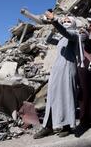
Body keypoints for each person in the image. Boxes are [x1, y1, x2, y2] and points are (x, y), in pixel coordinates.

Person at [33, 11, 79, 139]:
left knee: (66, 97)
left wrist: (55, 21)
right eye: (63, 21)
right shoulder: (61, 39)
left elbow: (66, 32)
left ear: (74, 23)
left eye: (68, 21)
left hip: (68, 69)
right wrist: (52, 27)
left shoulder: (74, 35)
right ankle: (48, 126)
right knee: (52, 97)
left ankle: (67, 126)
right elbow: (48, 40)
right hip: (57, 70)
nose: (65, 22)